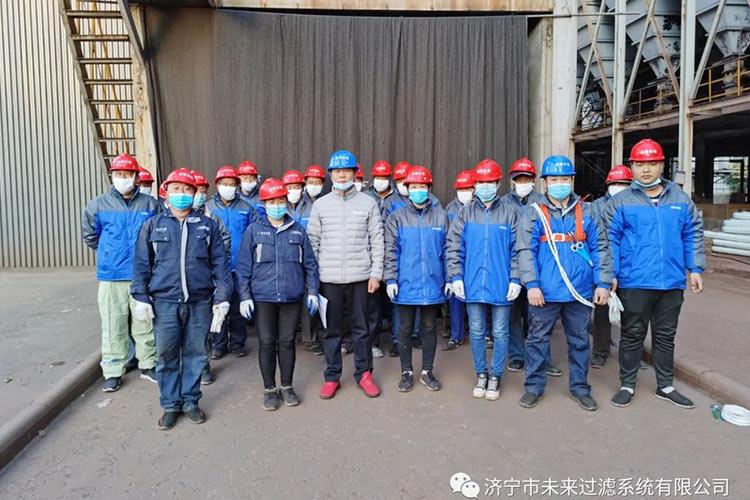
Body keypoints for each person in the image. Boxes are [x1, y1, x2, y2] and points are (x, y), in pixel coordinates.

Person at [605, 139, 705, 409]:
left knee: (665, 335)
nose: (646, 170)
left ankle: (665, 385)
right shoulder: (621, 202)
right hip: (635, 281)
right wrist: (611, 273)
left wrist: (695, 268)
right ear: (632, 167)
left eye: (652, 163)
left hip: (671, 281)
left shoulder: (680, 200)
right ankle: (627, 384)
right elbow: (610, 239)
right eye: (640, 164)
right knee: (632, 333)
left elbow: (692, 233)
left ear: (662, 165)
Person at [131, 168, 233, 430]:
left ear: (195, 193)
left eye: (187, 189)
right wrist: (141, 297)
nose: (182, 194)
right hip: (164, 302)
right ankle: (170, 405)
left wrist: (222, 297)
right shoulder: (153, 226)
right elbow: (141, 264)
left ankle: (190, 402)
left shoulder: (207, 226)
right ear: (166, 192)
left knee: (196, 353)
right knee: (166, 355)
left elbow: (220, 265)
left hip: (199, 302)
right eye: (176, 189)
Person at [517, 155, 612, 411]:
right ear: (545, 183)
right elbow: (526, 251)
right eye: (554, 179)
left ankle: (580, 388)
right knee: (537, 340)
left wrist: (602, 283)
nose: (559, 184)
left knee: (580, 341)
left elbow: (600, 248)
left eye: (564, 179)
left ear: (572, 181)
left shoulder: (588, 211)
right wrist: (532, 285)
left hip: (579, 292)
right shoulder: (533, 213)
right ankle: (533, 387)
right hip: (544, 292)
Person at [236, 178, 320, 411]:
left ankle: (287, 386)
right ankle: (269, 389)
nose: (277, 205)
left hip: (291, 296)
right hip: (263, 297)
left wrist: (312, 292)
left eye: (281, 201)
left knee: (287, 341)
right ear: (264, 204)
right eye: (272, 201)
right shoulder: (254, 231)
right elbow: (243, 267)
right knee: (266, 341)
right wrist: (244, 296)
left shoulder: (298, 230)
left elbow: (310, 265)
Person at [307, 150, 385, 399]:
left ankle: (364, 374)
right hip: (328, 279)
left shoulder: (368, 203)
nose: (342, 175)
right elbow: (312, 242)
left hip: (360, 278)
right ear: (331, 174)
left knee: (361, 330)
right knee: (331, 331)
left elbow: (377, 240)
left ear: (354, 173)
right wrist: (314, 279)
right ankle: (332, 377)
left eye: (346, 170)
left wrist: (376, 274)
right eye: (337, 171)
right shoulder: (321, 205)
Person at [81, 153, 159, 392]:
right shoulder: (97, 205)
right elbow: (90, 235)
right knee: (113, 325)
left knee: (144, 324)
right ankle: (113, 371)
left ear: (136, 177)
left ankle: (148, 364)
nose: (123, 178)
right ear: (112, 176)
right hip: (112, 275)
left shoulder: (150, 205)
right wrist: (109, 253)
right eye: (118, 174)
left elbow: (158, 234)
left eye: (127, 174)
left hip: (142, 275)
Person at [446, 159, 519, 401]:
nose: (485, 186)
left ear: (498, 184)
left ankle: (495, 375)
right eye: (481, 182)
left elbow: (518, 249)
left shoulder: (510, 213)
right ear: (475, 185)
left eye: (490, 182)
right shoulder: (465, 213)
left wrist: (516, 278)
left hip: (501, 283)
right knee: (476, 331)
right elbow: (454, 246)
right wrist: (456, 276)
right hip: (473, 282)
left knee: (500, 331)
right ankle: (481, 373)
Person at [384, 166, 448, 392]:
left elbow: (448, 249)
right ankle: (406, 372)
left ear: (429, 189)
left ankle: (427, 371)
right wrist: (391, 279)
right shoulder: (397, 217)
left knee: (429, 328)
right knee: (405, 328)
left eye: (422, 186)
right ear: (407, 189)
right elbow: (391, 250)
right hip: (406, 283)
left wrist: (451, 278)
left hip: (432, 282)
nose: (418, 190)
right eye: (414, 186)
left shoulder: (440, 216)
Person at [500, 158, 562, 377]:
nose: (523, 182)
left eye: (526, 179)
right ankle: (517, 356)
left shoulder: (543, 202)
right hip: (511, 267)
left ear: (534, 181)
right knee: (513, 316)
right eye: (519, 179)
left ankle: (543, 359)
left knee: (539, 319)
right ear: (512, 181)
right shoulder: (503, 203)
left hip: (538, 267)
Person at [206, 166, 258, 358]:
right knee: (219, 305)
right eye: (224, 184)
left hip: (240, 265)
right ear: (217, 185)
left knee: (237, 306)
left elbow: (254, 234)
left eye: (232, 184)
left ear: (237, 186)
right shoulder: (208, 208)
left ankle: (237, 343)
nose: (228, 187)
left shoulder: (246, 207)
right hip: (217, 267)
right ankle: (219, 344)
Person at [588, 164, 633, 369]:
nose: (619, 187)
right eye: (615, 183)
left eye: (623, 184)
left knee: (633, 314)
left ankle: (631, 353)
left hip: (631, 267)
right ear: (608, 185)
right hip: (604, 266)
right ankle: (600, 351)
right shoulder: (596, 207)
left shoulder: (636, 205)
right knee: (602, 312)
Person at [191, 170, 231, 385]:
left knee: (201, 327)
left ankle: (203, 368)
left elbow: (224, 244)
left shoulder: (212, 220)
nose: (197, 194)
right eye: (194, 189)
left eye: (201, 190)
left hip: (204, 281)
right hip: (177, 283)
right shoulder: (166, 219)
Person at [443, 169, 475, 350]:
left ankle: (484, 334)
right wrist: (449, 275)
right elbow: (446, 241)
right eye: (462, 189)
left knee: (478, 300)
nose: (465, 192)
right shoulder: (449, 209)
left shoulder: (479, 208)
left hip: (475, 260)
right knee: (455, 301)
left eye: (468, 188)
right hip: (456, 259)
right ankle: (456, 336)